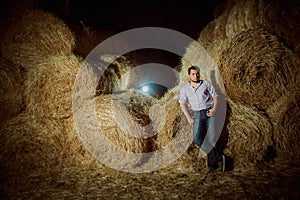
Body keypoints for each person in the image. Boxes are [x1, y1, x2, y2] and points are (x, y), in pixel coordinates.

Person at [179, 66, 225, 173]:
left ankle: (212, 165)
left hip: (209, 113)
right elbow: (182, 103)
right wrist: (189, 117)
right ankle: (218, 157)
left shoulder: (206, 84)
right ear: (189, 75)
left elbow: (215, 96)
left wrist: (214, 109)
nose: (196, 76)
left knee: (212, 138)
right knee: (197, 139)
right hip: (197, 114)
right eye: (193, 74)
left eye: (197, 73)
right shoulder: (185, 89)